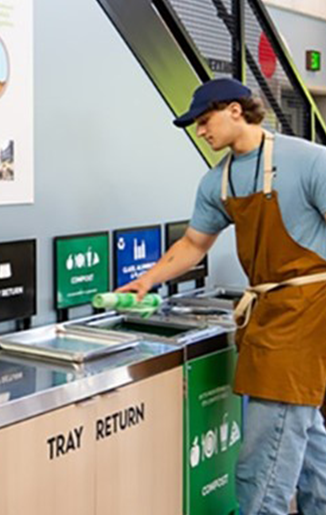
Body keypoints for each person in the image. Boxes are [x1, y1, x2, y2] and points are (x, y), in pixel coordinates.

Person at [116, 77, 326, 514]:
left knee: (266, 453)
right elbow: (193, 245)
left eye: (204, 119)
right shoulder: (218, 182)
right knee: (304, 435)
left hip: (309, 311)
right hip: (266, 312)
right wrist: (147, 280)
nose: (201, 131)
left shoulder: (307, 161)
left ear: (235, 109)